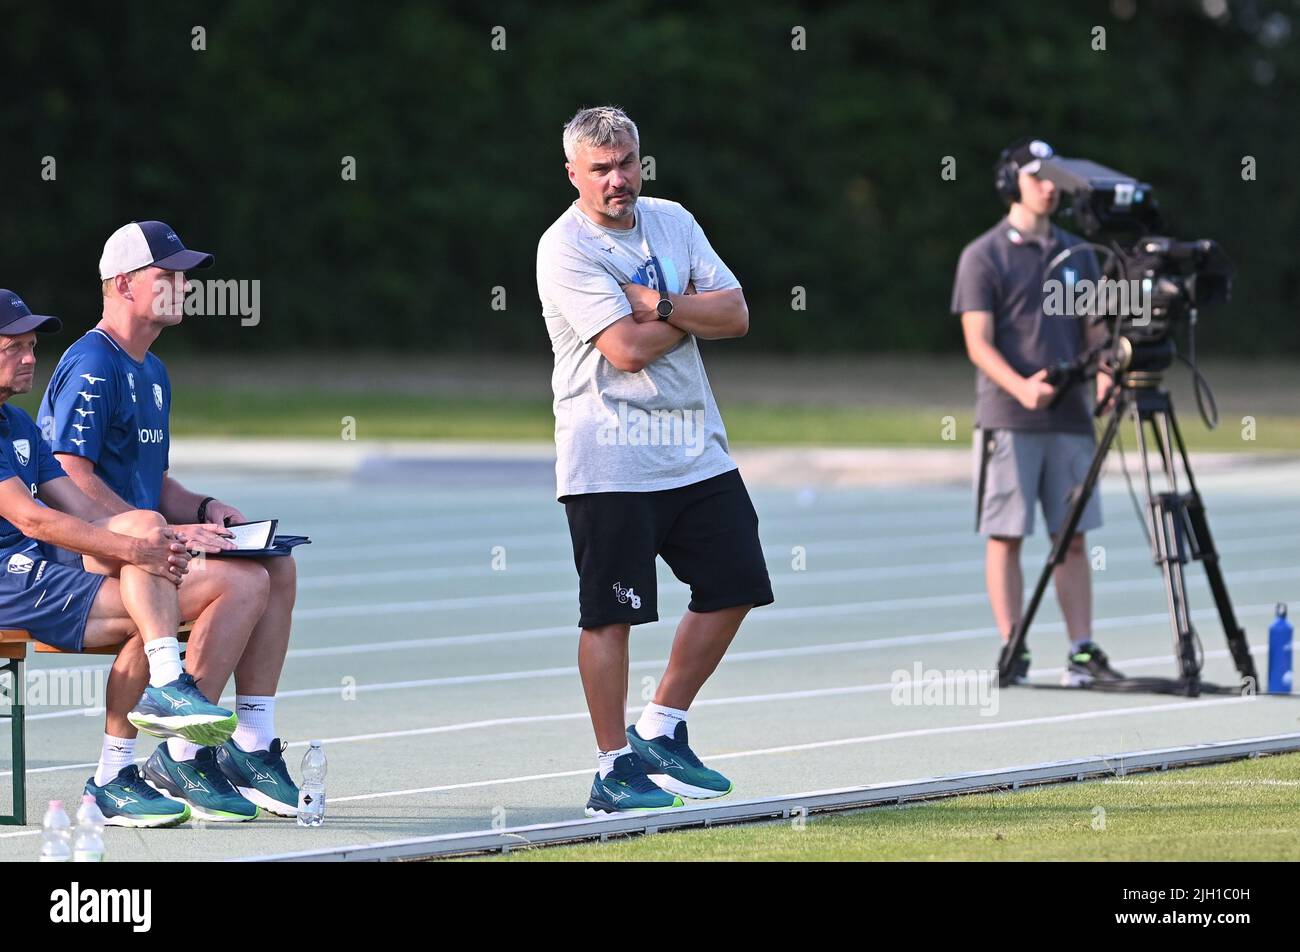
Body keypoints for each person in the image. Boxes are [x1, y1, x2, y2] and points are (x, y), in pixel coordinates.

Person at [537, 106, 773, 815]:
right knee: (611, 617)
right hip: (608, 458)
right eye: (601, 169)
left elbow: (736, 316)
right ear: (574, 173)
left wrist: (659, 303)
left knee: (736, 583)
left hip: (693, 448)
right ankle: (612, 769)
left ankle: (661, 725)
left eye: (627, 163)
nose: (618, 180)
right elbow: (625, 350)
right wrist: (685, 314)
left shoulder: (674, 219)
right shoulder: (565, 247)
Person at [38, 221, 300, 818]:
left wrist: (207, 510)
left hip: (146, 550)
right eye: (169, 275)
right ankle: (183, 755)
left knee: (275, 563)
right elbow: (68, 477)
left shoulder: (151, 369)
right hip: (88, 560)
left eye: (185, 276)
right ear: (125, 284)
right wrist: (168, 532)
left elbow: (152, 483)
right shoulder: (93, 363)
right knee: (242, 581)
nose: (184, 286)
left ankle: (252, 742)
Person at [0, 288, 267, 827]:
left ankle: (124, 771)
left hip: (36, 575)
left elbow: (86, 514)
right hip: (8, 582)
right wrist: (139, 546)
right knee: (149, 573)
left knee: (239, 581)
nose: (30, 359)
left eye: (32, 347)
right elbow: (31, 519)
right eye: (13, 347)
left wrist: (171, 538)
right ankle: (154, 714)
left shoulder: (19, 425)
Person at [953, 137, 1123, 687]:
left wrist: (1106, 378)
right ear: (1012, 184)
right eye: (1037, 176)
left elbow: (1096, 333)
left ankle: (1081, 650)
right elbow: (978, 343)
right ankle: (1013, 646)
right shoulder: (983, 255)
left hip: (1072, 418)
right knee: (1006, 534)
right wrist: (1021, 388)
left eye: (1055, 177)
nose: (1050, 186)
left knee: (1072, 537)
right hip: (1011, 417)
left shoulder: (1079, 254)